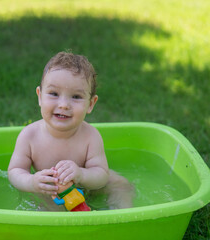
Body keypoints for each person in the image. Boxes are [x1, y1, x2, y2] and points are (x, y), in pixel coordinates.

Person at [8, 51, 133, 210]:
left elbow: (101, 174)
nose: (64, 104)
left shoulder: (90, 136)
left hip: (88, 187)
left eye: (76, 97)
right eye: (54, 94)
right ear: (40, 96)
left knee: (122, 185)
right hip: (49, 191)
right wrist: (32, 182)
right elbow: (15, 171)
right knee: (45, 207)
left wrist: (81, 174)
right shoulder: (29, 135)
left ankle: (121, 218)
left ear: (90, 104)